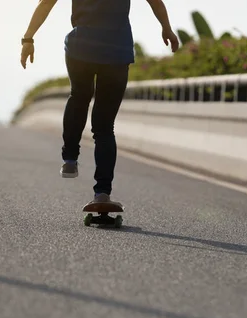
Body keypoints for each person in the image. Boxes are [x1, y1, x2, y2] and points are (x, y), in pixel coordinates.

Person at [21, 0, 179, 205]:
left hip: (82, 47)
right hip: (117, 51)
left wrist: (28, 39)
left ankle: (69, 158)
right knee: (104, 128)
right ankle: (102, 193)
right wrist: (166, 28)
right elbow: (155, 2)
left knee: (79, 96)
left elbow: (46, 3)